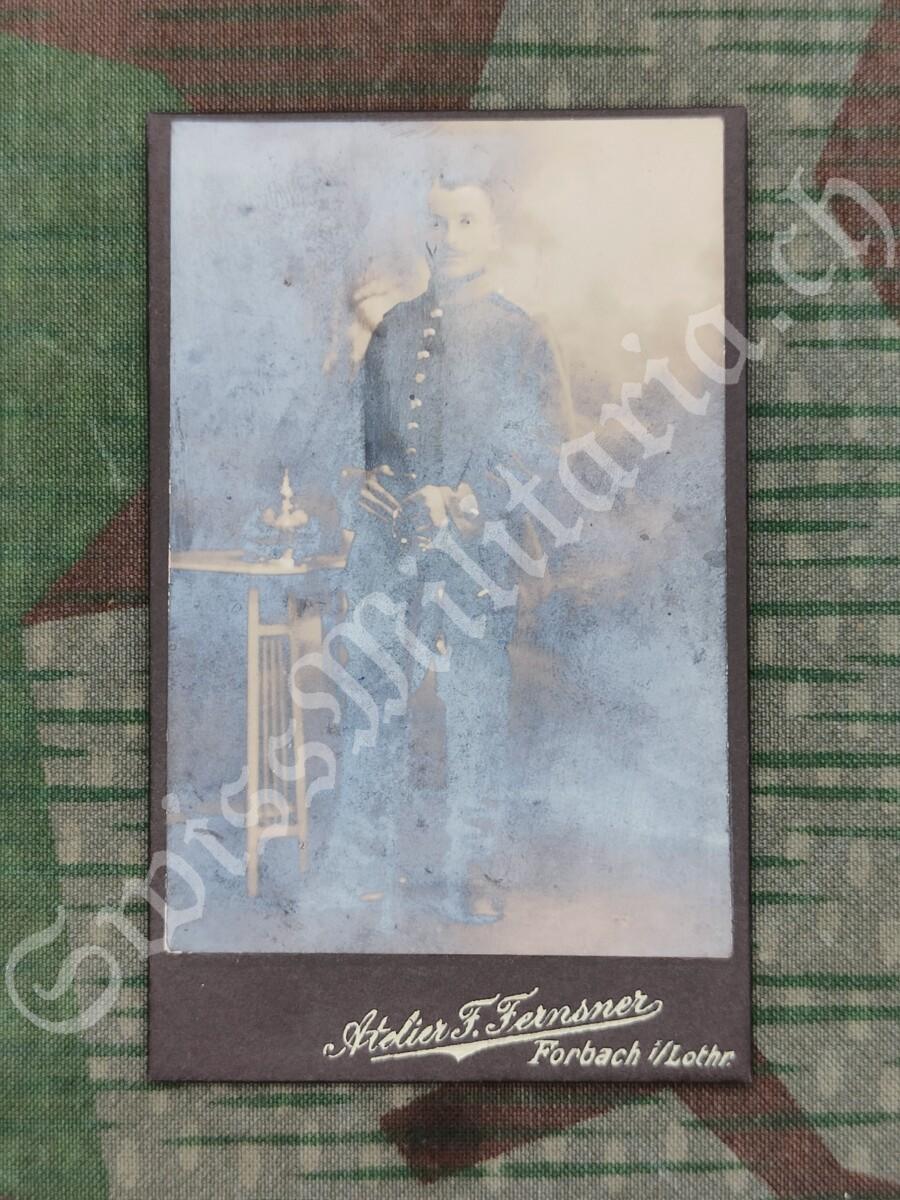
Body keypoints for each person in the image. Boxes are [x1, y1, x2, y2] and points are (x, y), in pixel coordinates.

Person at [318, 176, 570, 928]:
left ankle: (476, 868)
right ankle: (362, 863)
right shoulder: (393, 327)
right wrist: (358, 479)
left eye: (466, 220)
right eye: (437, 221)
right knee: (370, 697)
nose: (450, 236)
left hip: (473, 553)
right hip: (385, 545)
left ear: (493, 234)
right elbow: (352, 431)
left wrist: (463, 500)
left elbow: (539, 448)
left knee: (476, 708)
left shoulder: (520, 335)